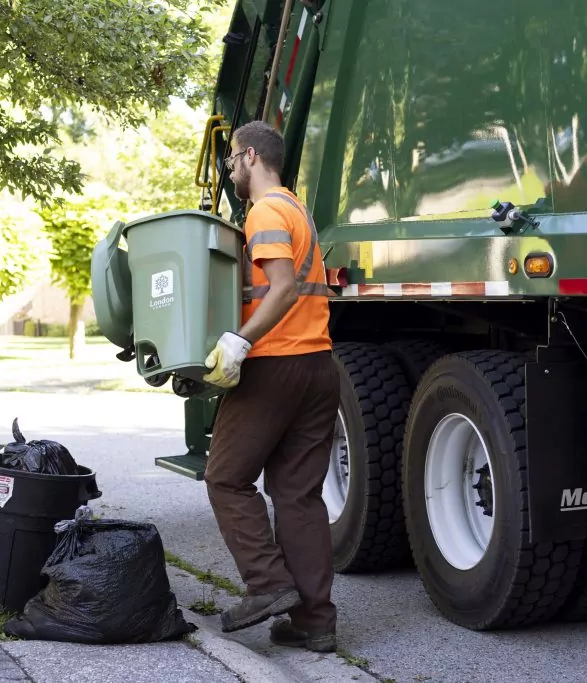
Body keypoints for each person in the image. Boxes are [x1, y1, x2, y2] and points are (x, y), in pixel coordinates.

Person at [201, 120, 339, 653]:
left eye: (233, 158)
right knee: (298, 496)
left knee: (226, 478)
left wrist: (238, 340)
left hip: (276, 365)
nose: (231, 168)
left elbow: (281, 289)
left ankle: (268, 586)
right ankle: (315, 621)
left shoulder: (264, 211)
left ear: (252, 157)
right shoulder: (297, 208)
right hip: (318, 365)